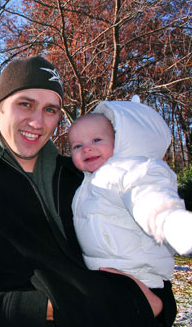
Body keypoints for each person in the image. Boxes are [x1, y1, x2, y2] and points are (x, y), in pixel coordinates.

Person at [0, 56, 176, 327]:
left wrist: (160, 305)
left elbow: (148, 265)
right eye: (25, 104)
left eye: (50, 110)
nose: (37, 122)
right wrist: (53, 306)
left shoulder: (87, 179)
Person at [68, 100, 192, 311]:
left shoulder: (130, 171)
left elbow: (148, 198)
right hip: (110, 277)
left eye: (97, 139)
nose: (86, 148)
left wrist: (172, 223)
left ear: (122, 142)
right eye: (77, 146)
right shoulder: (89, 181)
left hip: (138, 276)